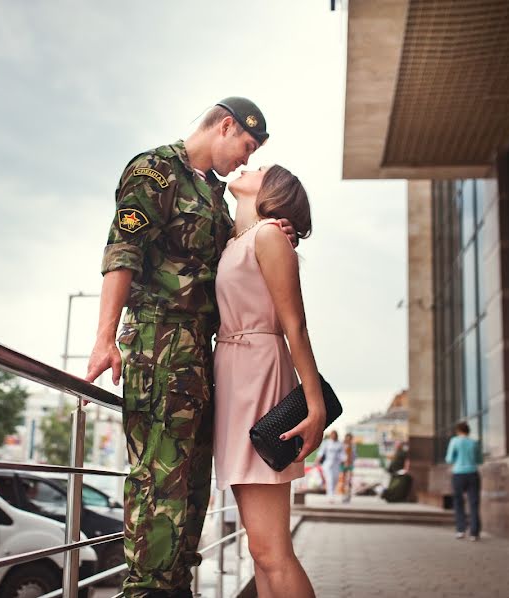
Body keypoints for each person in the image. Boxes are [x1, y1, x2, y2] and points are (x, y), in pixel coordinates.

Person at [85, 97, 297, 597]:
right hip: (160, 342)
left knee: (191, 485)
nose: (245, 160)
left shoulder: (215, 198)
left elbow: (235, 263)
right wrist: (104, 336)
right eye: (245, 146)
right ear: (225, 126)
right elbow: (124, 250)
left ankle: (176, 586)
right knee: (159, 481)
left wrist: (274, 227)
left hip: (202, 355)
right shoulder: (155, 171)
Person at [213, 164, 323, 598]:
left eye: (260, 168)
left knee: (272, 550)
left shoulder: (268, 237)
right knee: (259, 549)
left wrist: (314, 406)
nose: (247, 166)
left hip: (259, 374)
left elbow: (296, 325)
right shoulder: (236, 241)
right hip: (236, 377)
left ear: (273, 191)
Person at [446, 421, 483, 541]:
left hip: (458, 474)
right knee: (474, 503)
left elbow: (449, 458)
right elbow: (480, 460)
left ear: (458, 431)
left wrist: (458, 458)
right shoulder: (474, 443)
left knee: (458, 502)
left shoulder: (455, 441)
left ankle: (460, 530)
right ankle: (474, 533)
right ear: (468, 431)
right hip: (473, 474)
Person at [314, 430, 346, 502]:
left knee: (335, 479)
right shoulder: (326, 443)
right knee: (330, 479)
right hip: (327, 464)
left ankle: (332, 493)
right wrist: (317, 461)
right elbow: (321, 453)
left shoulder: (340, 444)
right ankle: (330, 496)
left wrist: (344, 460)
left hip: (336, 464)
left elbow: (342, 454)